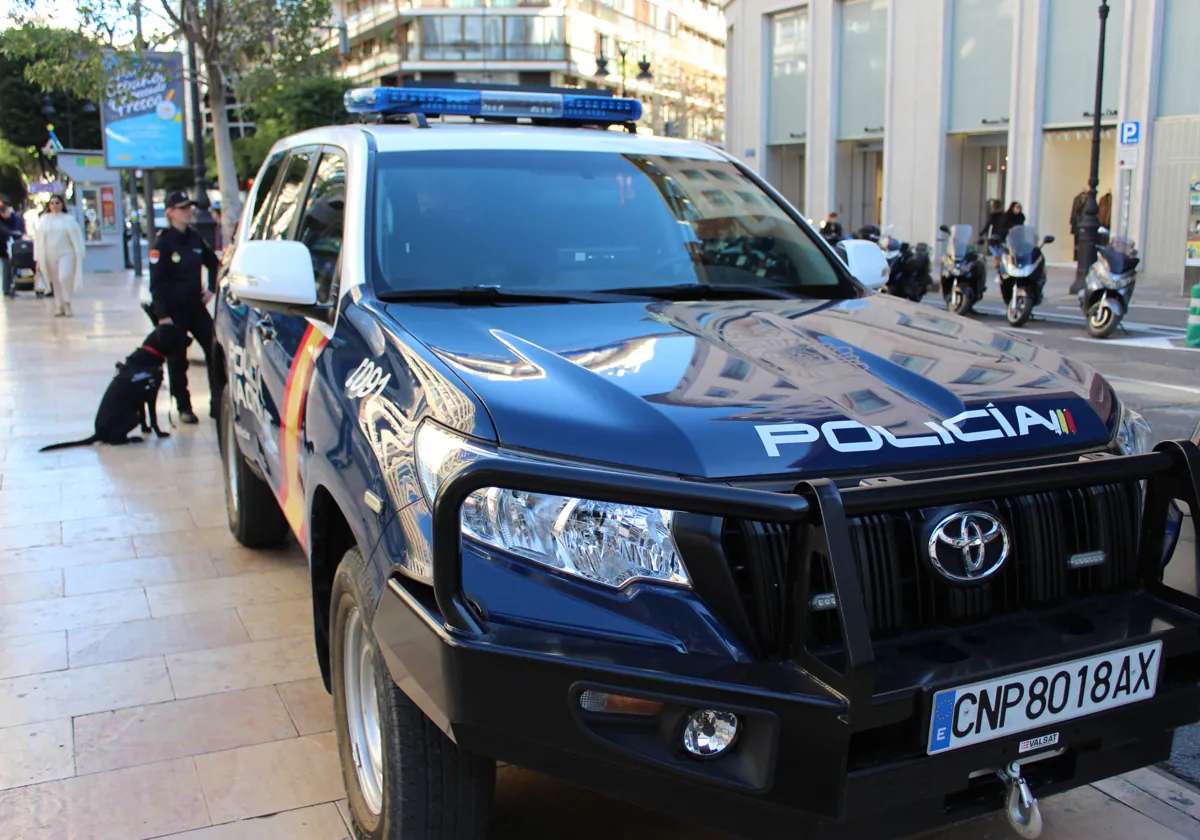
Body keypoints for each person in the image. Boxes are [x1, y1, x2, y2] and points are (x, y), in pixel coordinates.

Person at [149, 190, 220, 424]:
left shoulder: (195, 237)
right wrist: (162, 316)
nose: (188, 212)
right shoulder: (163, 242)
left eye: (190, 207)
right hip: (173, 309)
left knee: (214, 350)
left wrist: (211, 289)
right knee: (178, 360)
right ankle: (184, 407)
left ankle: (218, 403)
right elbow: (156, 282)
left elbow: (214, 264)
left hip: (195, 305)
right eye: (182, 208)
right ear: (170, 213)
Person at [33, 194, 86, 317]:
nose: (55, 206)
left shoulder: (68, 220)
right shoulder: (44, 220)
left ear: (62, 205)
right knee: (56, 281)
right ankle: (59, 305)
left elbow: (77, 238)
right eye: (52, 203)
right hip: (50, 255)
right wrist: (38, 259)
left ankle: (67, 302)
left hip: (66, 253)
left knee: (64, 276)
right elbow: (39, 240)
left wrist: (80, 252)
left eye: (57, 203)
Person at [0, 201, 28, 298]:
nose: (9, 213)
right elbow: (4, 231)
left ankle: (11, 287)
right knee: (6, 268)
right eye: (7, 212)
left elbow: (20, 229)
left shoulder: (15, 219)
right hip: (4, 249)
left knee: (14, 268)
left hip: (15, 248)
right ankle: (6, 289)